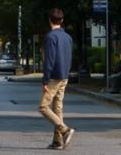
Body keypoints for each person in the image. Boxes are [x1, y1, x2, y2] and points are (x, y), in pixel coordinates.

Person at [39, 8, 75, 150]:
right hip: (64, 76)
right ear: (62, 21)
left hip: (54, 77)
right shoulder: (68, 37)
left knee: (43, 107)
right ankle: (57, 141)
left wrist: (45, 80)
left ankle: (64, 130)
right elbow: (69, 57)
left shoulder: (50, 37)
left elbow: (49, 60)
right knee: (57, 108)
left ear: (50, 21)